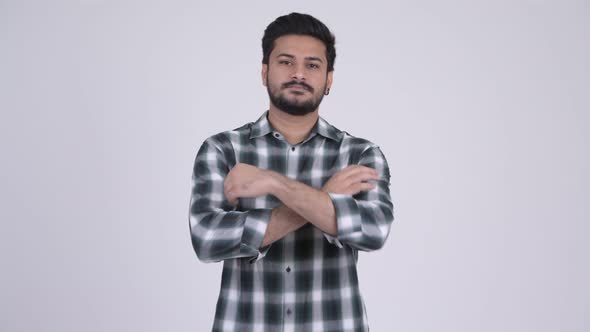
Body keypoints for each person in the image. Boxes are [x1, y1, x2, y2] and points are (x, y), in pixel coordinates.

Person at [189, 12, 394, 332]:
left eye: (312, 65)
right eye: (286, 62)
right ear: (264, 71)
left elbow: (372, 231)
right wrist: (326, 200)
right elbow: (208, 238)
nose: (299, 73)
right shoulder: (222, 150)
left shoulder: (360, 154)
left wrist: (274, 182)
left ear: (329, 80)